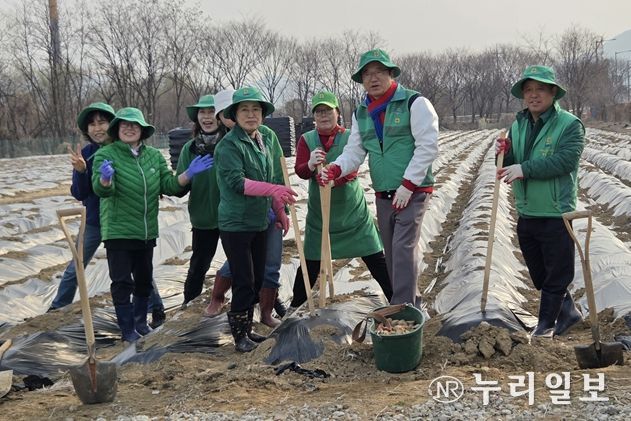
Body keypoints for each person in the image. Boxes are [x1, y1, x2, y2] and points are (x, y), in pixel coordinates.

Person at [318, 49, 439, 308]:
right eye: (367, 74)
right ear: (362, 80)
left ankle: (402, 309)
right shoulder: (361, 113)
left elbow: (428, 146)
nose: (373, 78)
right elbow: (354, 151)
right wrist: (335, 169)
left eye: (379, 72)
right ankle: (412, 304)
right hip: (384, 193)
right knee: (393, 254)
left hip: (413, 191)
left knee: (403, 249)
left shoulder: (414, 103)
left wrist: (408, 184)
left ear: (391, 74)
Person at [92, 107, 212, 342]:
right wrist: (105, 179)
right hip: (118, 230)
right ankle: (127, 330)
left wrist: (188, 173)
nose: (129, 129)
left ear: (142, 130)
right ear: (117, 129)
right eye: (124, 125)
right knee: (122, 282)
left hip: (146, 230)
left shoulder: (154, 156)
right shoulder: (106, 154)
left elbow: (168, 185)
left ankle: (140, 323)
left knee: (144, 280)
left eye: (134, 125)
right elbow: (101, 190)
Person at [48, 103, 166, 328]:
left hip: (123, 222)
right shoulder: (87, 154)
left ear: (112, 125)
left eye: (102, 122)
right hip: (95, 221)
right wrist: (82, 171)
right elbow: (80, 192)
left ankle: (155, 307)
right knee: (77, 263)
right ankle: (57, 307)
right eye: (92, 124)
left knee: (140, 269)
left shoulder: (125, 149)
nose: (97, 128)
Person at [496, 65, 584, 337]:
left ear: (553, 92)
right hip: (527, 209)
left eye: (540, 89)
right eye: (529, 90)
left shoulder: (569, 124)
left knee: (557, 273)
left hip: (556, 211)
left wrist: (525, 169)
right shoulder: (518, 125)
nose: (534, 95)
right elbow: (509, 164)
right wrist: (504, 154)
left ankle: (546, 323)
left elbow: (565, 161)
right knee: (539, 273)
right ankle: (568, 312)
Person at [290, 91, 392, 309]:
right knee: (310, 264)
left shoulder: (349, 137)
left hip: (352, 213)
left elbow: (353, 166)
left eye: (328, 110)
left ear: (337, 112)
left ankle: (397, 300)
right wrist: (310, 164)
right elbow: (300, 171)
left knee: (376, 259)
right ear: (313, 116)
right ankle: (295, 307)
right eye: (319, 111)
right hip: (320, 216)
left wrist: (334, 180)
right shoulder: (307, 139)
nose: (323, 115)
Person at [214, 86, 296, 352]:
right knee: (244, 280)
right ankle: (240, 336)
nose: (251, 115)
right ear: (234, 115)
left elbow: (271, 177)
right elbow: (237, 183)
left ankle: (247, 329)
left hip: (260, 220)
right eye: (245, 110)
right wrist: (273, 190)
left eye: (256, 110)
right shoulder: (228, 146)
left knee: (258, 278)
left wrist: (279, 210)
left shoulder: (264, 140)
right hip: (236, 224)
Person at [176, 94, 224, 308]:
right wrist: (188, 174)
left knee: (243, 263)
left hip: (231, 214)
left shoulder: (230, 143)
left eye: (211, 112)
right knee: (198, 265)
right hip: (203, 217)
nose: (207, 117)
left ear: (220, 115)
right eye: (202, 112)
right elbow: (178, 188)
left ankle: (258, 302)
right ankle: (189, 302)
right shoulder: (190, 149)